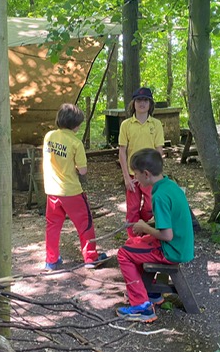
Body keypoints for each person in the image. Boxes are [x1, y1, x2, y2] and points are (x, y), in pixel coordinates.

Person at [116, 148, 195, 322]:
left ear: (146, 174)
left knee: (123, 253)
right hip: (182, 246)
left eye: (135, 174)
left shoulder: (159, 196)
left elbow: (167, 235)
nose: (134, 178)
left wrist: (144, 227)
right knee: (136, 242)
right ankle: (151, 291)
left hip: (172, 250)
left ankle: (141, 307)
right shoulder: (169, 185)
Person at [42, 103, 108, 270]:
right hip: (71, 191)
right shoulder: (75, 142)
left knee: (53, 226)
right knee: (85, 223)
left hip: (51, 190)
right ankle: (90, 257)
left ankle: (51, 260)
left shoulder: (49, 136)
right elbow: (83, 170)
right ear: (77, 124)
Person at [118, 87, 165, 237]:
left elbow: (159, 151)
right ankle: (133, 240)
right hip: (133, 175)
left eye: (146, 100)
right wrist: (126, 177)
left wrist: (158, 175)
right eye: (139, 100)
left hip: (150, 175)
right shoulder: (126, 124)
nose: (142, 103)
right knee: (132, 208)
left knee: (152, 205)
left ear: (150, 104)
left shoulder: (156, 124)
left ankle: (140, 226)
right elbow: (122, 152)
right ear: (133, 103)